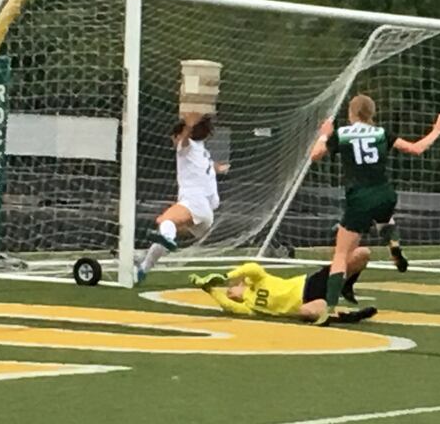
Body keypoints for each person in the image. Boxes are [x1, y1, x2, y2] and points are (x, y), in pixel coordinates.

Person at [310, 94, 440, 311]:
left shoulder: (342, 133)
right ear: (372, 113)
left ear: (351, 113)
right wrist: (437, 130)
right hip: (385, 194)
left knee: (340, 254)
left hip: (359, 198)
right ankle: (393, 243)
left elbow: (315, 155)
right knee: (383, 216)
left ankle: (328, 307)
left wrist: (323, 135)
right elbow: (416, 149)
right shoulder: (382, 133)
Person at [137, 112, 229, 283]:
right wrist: (219, 168)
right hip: (207, 217)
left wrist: (188, 126)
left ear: (179, 135)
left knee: (165, 221)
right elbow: (210, 167)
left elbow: (184, 142)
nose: (173, 141)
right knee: (165, 230)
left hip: (194, 203)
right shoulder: (204, 153)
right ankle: (143, 268)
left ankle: (167, 240)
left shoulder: (187, 148)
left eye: (174, 137)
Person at [189, 247, 377, 325]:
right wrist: (209, 290)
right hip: (303, 304)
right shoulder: (250, 308)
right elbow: (228, 306)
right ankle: (351, 317)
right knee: (310, 312)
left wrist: (225, 277)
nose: (230, 293)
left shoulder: (256, 281)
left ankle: (347, 284)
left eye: (231, 289)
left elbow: (251, 267)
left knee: (362, 253)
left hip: (308, 285)